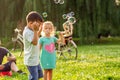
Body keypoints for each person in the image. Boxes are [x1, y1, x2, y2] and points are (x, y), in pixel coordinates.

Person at [23, 11, 44, 80]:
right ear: (31, 23)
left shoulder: (31, 30)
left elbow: (36, 37)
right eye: (37, 24)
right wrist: (35, 30)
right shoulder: (27, 32)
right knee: (34, 77)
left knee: (39, 75)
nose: (38, 26)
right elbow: (35, 42)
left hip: (35, 59)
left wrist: (40, 29)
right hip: (31, 61)